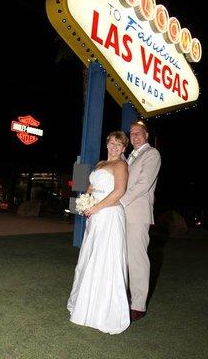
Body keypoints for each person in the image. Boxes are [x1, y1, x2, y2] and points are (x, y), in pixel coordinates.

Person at [67, 131, 130, 335]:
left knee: (105, 259)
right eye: (111, 143)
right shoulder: (100, 163)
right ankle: (85, 305)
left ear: (123, 148)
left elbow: (119, 191)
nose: (114, 147)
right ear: (107, 144)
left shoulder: (121, 165)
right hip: (95, 216)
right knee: (91, 257)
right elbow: (91, 187)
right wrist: (86, 202)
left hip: (110, 215)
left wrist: (96, 207)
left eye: (118, 145)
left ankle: (102, 311)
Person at [120, 121, 161, 321]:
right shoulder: (129, 158)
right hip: (122, 213)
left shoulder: (152, 154)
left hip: (137, 214)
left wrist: (121, 202)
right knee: (124, 258)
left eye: (138, 133)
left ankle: (138, 306)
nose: (134, 136)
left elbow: (143, 184)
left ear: (146, 135)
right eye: (132, 133)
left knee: (137, 259)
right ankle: (123, 299)